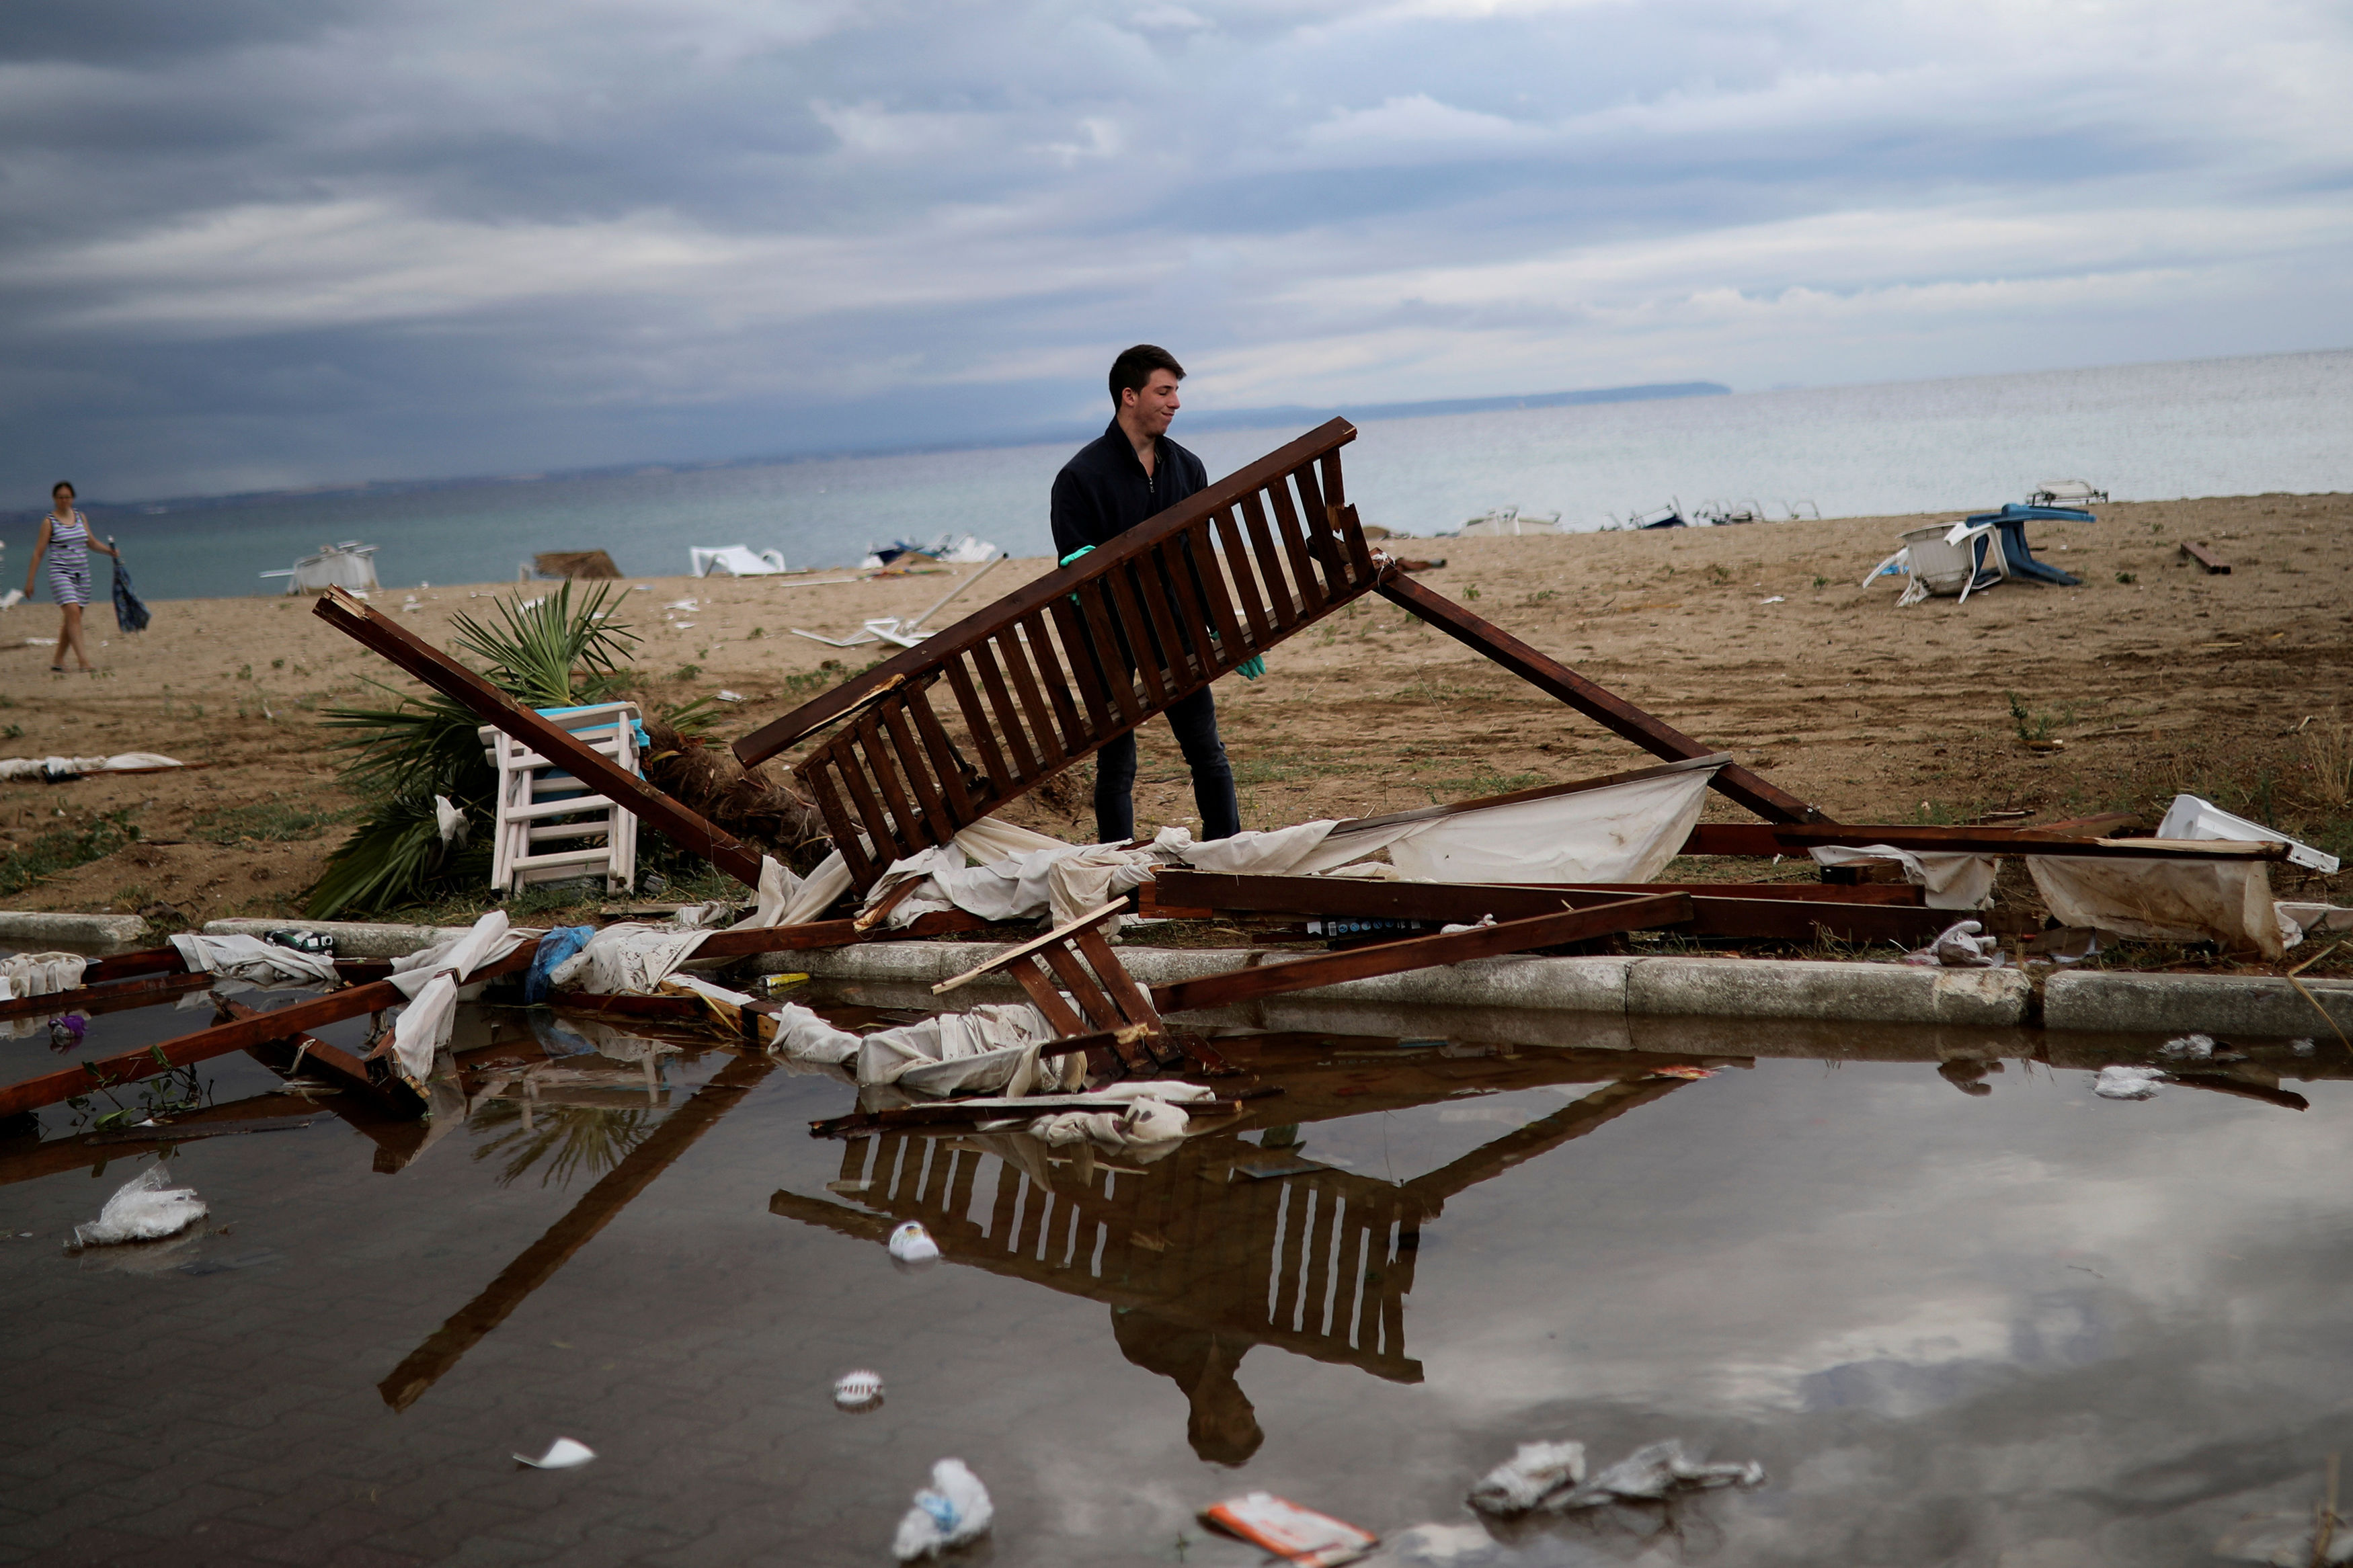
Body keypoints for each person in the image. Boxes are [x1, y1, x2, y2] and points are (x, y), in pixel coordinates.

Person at [1050, 344, 1242, 845]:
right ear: (1129, 396)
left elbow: (1198, 557)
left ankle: (1225, 852)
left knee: (1206, 750)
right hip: (1109, 636)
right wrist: (1076, 565)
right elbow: (1071, 561)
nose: (1176, 401)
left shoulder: (1188, 468)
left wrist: (1218, 623)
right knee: (1116, 763)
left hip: (1175, 627)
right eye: (1165, 390)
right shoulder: (1079, 476)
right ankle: (1116, 863)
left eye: (1177, 390)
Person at [22, 482, 117, 673]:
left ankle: (58, 660)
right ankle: (83, 661)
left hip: (82, 574)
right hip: (60, 573)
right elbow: (38, 552)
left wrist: (109, 552)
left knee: (72, 618)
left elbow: (90, 542)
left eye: (68, 497)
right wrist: (30, 581)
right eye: (60, 497)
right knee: (73, 612)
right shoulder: (49, 521)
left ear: (72, 498)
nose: (64, 500)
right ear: (54, 499)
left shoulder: (80, 517)